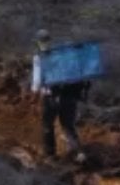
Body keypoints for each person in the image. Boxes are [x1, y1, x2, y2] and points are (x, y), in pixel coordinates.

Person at [31, 28, 88, 161]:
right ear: (50, 40)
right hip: (70, 95)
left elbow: (37, 80)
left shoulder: (39, 56)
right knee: (68, 125)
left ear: (38, 42)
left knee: (47, 125)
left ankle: (50, 155)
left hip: (50, 97)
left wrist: (34, 95)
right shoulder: (64, 54)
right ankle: (79, 153)